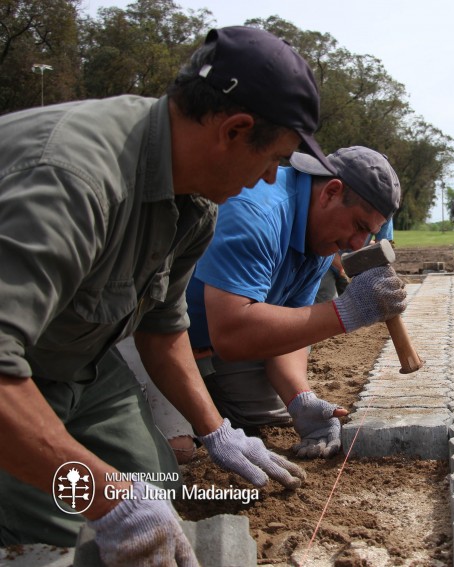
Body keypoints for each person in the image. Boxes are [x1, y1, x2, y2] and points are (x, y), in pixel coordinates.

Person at [0, 25, 337, 564]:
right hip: (14, 376)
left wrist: (217, 431)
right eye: (273, 160)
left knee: (159, 486)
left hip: (75, 359)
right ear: (235, 130)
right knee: (68, 530)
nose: (267, 179)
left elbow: (162, 326)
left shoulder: (194, 202)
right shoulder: (73, 179)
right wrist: (108, 498)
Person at [186, 146, 405, 460]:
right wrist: (349, 311)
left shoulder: (319, 236)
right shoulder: (257, 213)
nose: (356, 245)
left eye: (369, 234)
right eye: (359, 226)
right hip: (165, 340)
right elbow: (232, 334)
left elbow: (289, 332)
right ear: (331, 192)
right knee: (182, 449)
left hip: (219, 341)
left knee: (267, 416)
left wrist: (301, 399)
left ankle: (208, 394)